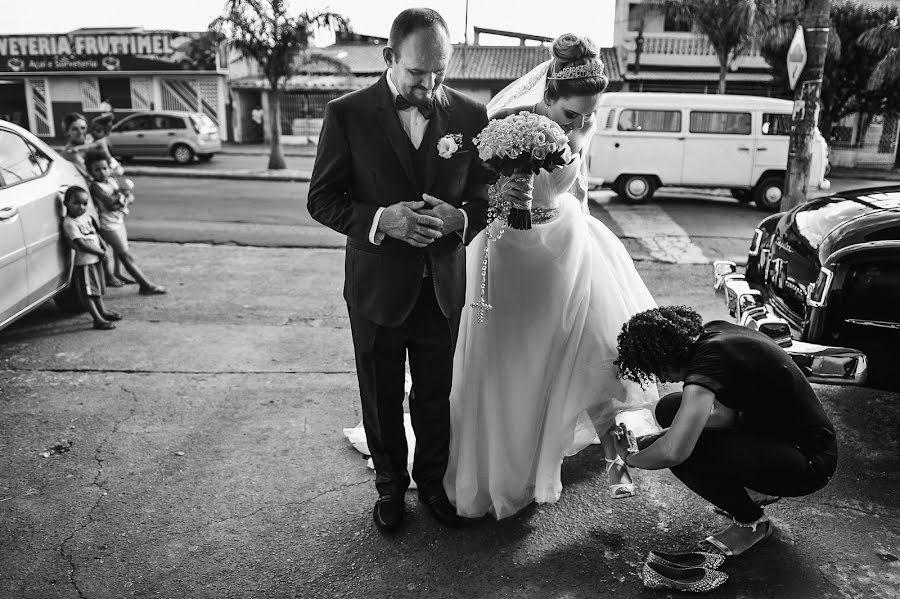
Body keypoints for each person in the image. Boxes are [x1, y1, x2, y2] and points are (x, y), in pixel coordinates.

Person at [442, 34, 659, 520]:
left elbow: (575, 184)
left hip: (566, 242)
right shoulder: (504, 125)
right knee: (513, 362)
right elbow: (475, 192)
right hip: (508, 253)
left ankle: (612, 456)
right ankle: (508, 461)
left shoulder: (584, 121)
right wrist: (506, 192)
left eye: (588, 118)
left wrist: (577, 228)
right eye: (571, 117)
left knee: (593, 350)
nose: (580, 126)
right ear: (548, 97)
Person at [307, 8, 490, 533]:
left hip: (443, 288)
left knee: (435, 395)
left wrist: (463, 218)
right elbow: (322, 200)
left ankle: (433, 484)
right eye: (417, 73)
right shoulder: (348, 113)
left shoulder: (471, 116)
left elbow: (486, 196)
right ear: (389, 58)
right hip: (376, 288)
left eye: (440, 72)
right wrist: (381, 219)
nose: (430, 84)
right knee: (381, 393)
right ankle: (389, 486)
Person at [612, 306, 837, 558]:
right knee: (670, 409)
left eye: (658, 370)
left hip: (808, 464)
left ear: (665, 357)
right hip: (780, 439)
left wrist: (631, 458)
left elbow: (674, 452)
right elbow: (725, 417)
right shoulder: (713, 336)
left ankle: (751, 523)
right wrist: (655, 439)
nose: (664, 379)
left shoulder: (709, 362)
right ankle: (758, 490)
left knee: (690, 455)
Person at [85, 152, 166, 296]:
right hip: (107, 225)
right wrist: (124, 197)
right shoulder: (95, 187)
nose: (102, 172)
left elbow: (128, 198)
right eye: (97, 169)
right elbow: (111, 204)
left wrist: (122, 198)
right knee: (125, 255)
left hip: (118, 221)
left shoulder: (111, 181)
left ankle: (118, 273)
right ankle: (145, 284)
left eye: (104, 168)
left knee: (119, 252)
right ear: (90, 171)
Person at [61, 187, 122, 330]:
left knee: (97, 289)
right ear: (66, 203)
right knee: (88, 292)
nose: (81, 207)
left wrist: (102, 246)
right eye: (76, 203)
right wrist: (100, 252)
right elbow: (80, 244)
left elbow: (95, 234)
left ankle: (103, 311)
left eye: (84, 203)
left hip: (95, 259)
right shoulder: (70, 223)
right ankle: (97, 318)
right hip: (85, 262)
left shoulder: (86, 217)